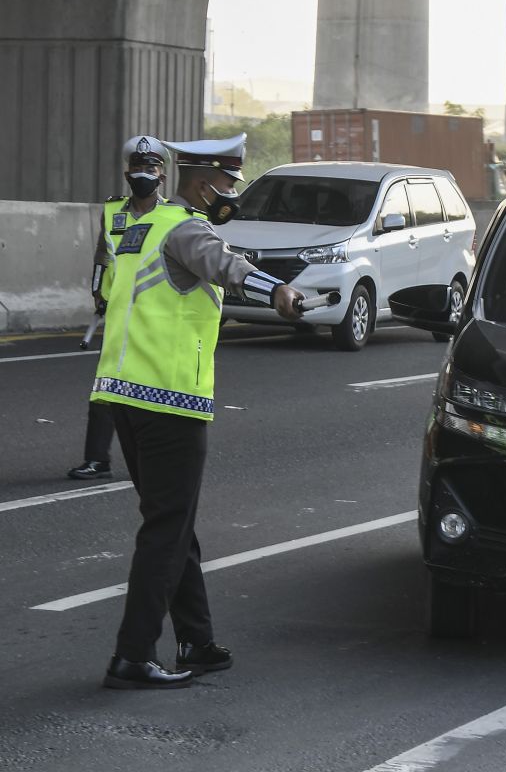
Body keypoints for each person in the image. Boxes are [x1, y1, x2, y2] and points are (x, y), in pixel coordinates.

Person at [93, 134, 303, 690]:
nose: (230, 195)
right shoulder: (187, 227)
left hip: (122, 391)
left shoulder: (143, 225)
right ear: (202, 179)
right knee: (166, 528)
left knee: (172, 521)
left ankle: (197, 640)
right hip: (168, 399)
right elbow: (224, 265)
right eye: (228, 184)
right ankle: (132, 654)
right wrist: (277, 289)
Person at [67, 136, 170, 481]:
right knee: (106, 387)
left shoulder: (175, 219)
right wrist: (98, 292)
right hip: (119, 318)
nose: (143, 174)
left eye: (150, 168)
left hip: (157, 320)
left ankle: (157, 459)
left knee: (153, 392)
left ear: (162, 176)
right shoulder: (113, 211)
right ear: (127, 174)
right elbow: (103, 256)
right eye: (137, 168)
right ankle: (98, 459)